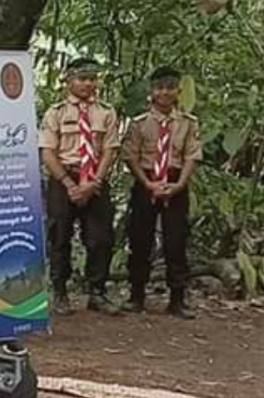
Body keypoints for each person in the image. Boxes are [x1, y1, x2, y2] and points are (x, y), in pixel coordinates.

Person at [39, 57, 122, 316]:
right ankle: (60, 291)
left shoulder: (106, 112)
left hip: (95, 180)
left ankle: (96, 292)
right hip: (64, 177)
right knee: (59, 236)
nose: (88, 84)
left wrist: (94, 182)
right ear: (68, 81)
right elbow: (48, 152)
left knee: (100, 239)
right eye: (81, 78)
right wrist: (68, 183)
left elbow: (110, 150)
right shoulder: (56, 112)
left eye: (92, 79)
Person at [121, 66, 202, 319]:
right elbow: (131, 156)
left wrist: (178, 185)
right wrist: (147, 183)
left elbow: (191, 155)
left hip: (176, 182)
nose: (164, 92)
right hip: (147, 182)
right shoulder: (139, 123)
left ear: (179, 91)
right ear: (151, 91)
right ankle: (136, 295)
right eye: (159, 87)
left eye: (170, 87)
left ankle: (177, 298)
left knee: (176, 240)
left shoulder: (188, 124)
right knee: (140, 238)